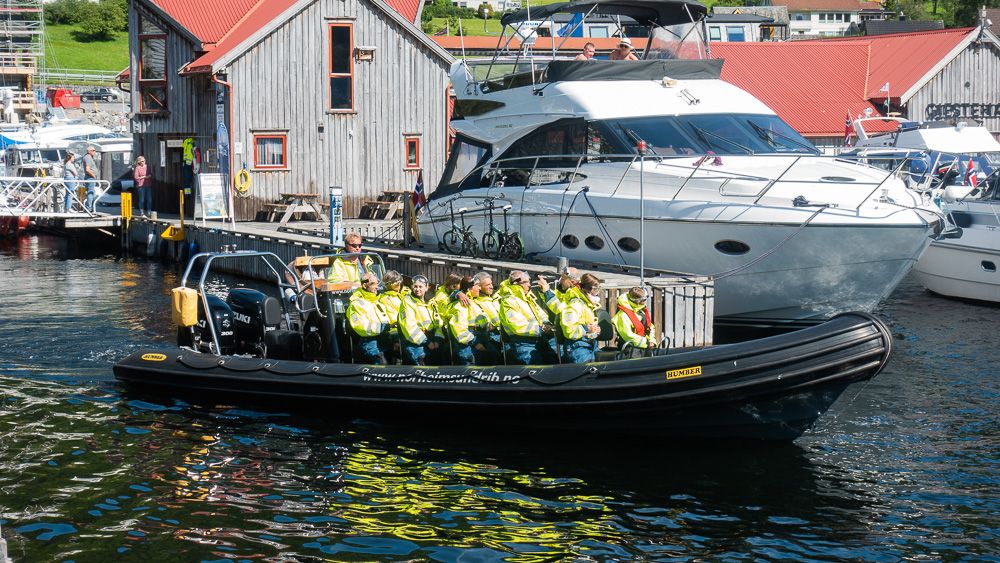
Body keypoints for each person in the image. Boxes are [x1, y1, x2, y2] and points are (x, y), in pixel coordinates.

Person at [498, 271, 558, 365]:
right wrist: (540, 328)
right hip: (523, 343)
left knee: (554, 358)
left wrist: (547, 324)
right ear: (516, 283)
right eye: (526, 282)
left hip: (538, 339)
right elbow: (517, 325)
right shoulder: (508, 301)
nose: (529, 285)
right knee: (536, 365)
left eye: (529, 282)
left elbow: (541, 315)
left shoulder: (528, 298)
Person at [398, 275, 443, 365]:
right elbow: (409, 326)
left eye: (420, 287)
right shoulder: (408, 302)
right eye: (415, 286)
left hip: (431, 340)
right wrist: (427, 342)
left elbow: (438, 322)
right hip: (416, 344)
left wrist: (438, 339)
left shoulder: (431, 302)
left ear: (426, 288)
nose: (417, 289)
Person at [346, 272, 390, 364]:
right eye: (373, 284)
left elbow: (386, 321)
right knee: (381, 362)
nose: (377, 287)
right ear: (364, 285)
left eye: (377, 283)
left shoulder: (377, 302)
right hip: (368, 342)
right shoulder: (355, 304)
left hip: (382, 339)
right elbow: (361, 327)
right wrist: (382, 327)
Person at [559, 273, 602, 363]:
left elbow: (588, 324)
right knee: (588, 372)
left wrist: (595, 329)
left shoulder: (588, 304)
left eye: (598, 289)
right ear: (585, 289)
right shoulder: (575, 305)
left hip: (591, 344)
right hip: (577, 347)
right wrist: (587, 329)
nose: (596, 293)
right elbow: (569, 330)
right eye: (594, 289)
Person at [448, 276, 487, 366]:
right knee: (470, 368)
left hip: (475, 338)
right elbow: (460, 329)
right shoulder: (462, 303)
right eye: (477, 285)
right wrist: (475, 343)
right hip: (467, 344)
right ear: (469, 288)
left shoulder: (471, 301)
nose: (479, 288)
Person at [612, 286, 656, 355]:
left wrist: (652, 340)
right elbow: (628, 335)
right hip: (630, 349)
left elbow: (650, 327)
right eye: (643, 300)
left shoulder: (640, 311)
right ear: (637, 301)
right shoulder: (622, 315)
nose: (645, 302)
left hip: (645, 346)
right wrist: (646, 343)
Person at [379, 270, 408, 364]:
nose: (398, 283)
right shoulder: (386, 299)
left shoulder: (404, 294)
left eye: (399, 280)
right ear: (388, 285)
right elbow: (393, 321)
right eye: (394, 282)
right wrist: (396, 339)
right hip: (396, 333)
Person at [82, 146, 99, 212]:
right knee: (91, 193)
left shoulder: (88, 157)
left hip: (90, 178)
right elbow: (87, 169)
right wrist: (94, 176)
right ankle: (88, 208)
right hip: (90, 178)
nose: (94, 152)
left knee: (92, 193)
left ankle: (88, 207)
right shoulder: (88, 158)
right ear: (89, 151)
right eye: (93, 150)